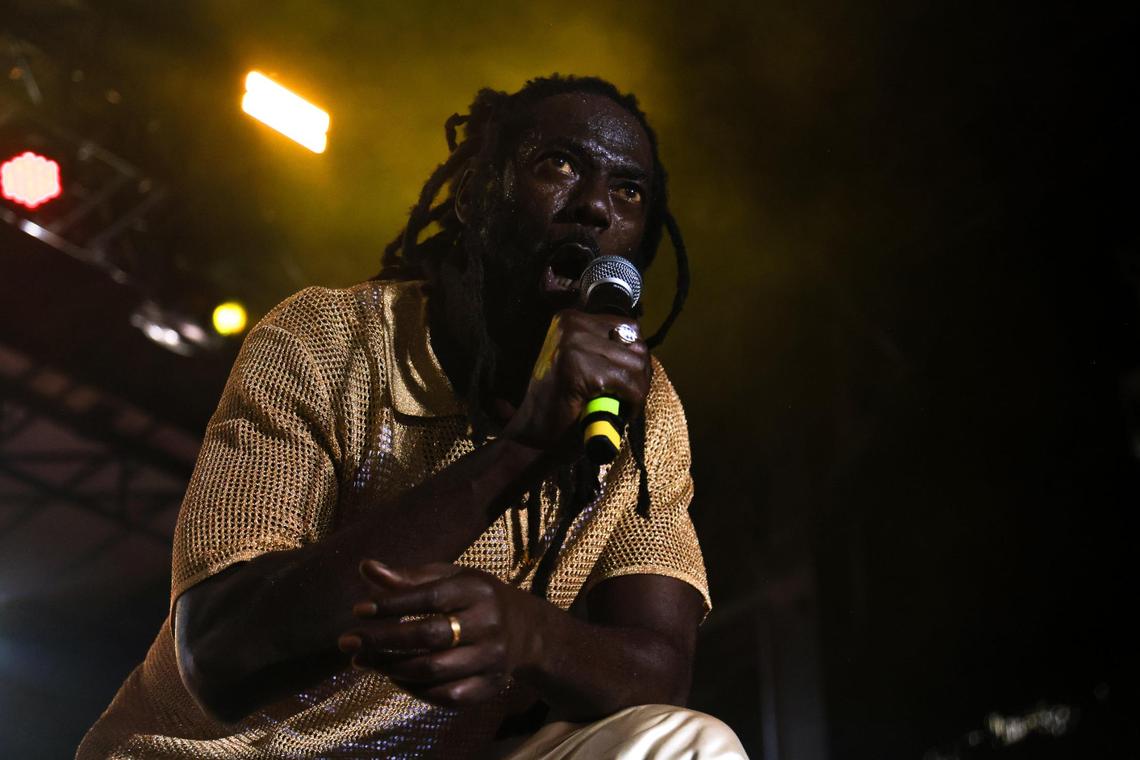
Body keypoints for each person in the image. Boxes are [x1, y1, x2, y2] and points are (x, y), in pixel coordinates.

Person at [78, 75, 747, 759]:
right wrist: (524, 447)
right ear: (477, 195)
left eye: (628, 191)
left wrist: (530, 634)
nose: (596, 206)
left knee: (689, 742)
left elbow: (659, 670)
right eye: (559, 164)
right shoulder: (328, 338)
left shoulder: (642, 408)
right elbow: (221, 658)